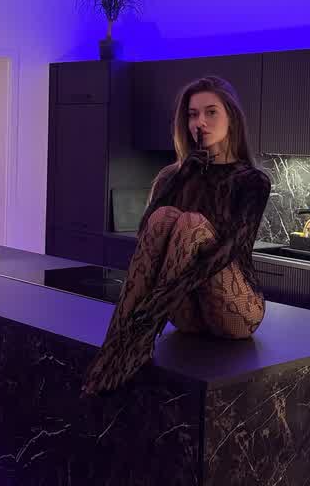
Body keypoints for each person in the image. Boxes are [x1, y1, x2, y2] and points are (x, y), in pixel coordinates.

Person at [81, 75, 271, 396]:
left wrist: (159, 301)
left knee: (191, 224)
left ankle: (134, 341)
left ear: (232, 118)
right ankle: (116, 344)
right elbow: (146, 235)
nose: (200, 122)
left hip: (235, 311)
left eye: (211, 112)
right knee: (165, 216)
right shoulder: (172, 175)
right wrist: (183, 174)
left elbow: (229, 250)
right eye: (193, 114)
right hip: (187, 315)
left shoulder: (252, 180)